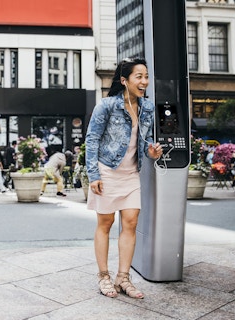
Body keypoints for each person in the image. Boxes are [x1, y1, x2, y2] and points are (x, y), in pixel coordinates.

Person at [85, 58, 162, 299]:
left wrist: (151, 150)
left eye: (146, 76)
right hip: (107, 171)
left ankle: (123, 278)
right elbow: (91, 140)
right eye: (139, 76)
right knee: (105, 223)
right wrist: (93, 174)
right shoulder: (107, 106)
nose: (144, 82)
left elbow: (144, 139)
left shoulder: (148, 108)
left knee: (130, 223)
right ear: (124, 80)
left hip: (131, 174)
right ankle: (104, 276)